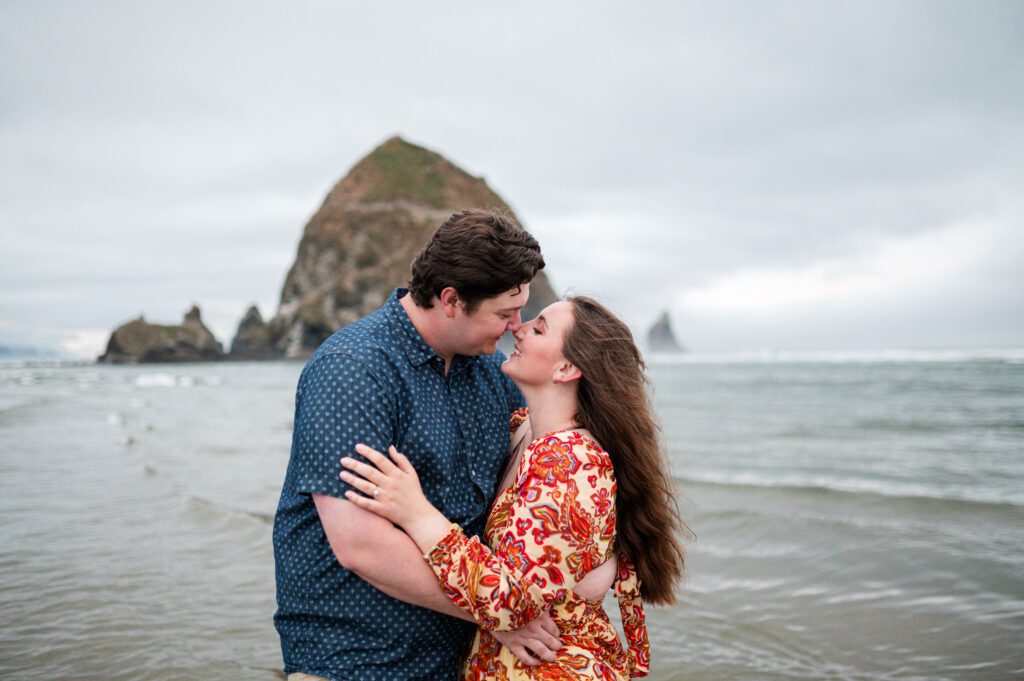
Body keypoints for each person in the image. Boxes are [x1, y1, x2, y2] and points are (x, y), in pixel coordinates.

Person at [273, 210, 614, 681]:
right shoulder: (353, 370)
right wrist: (497, 614)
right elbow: (358, 544)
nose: (516, 326)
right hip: (356, 657)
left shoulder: (494, 376)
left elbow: (563, 470)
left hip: (462, 661)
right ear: (451, 300)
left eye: (523, 312)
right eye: (503, 313)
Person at [340, 296, 687, 679]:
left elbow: (512, 603)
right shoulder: (520, 430)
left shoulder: (573, 464)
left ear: (567, 367)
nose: (516, 329)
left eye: (538, 328)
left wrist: (416, 512)